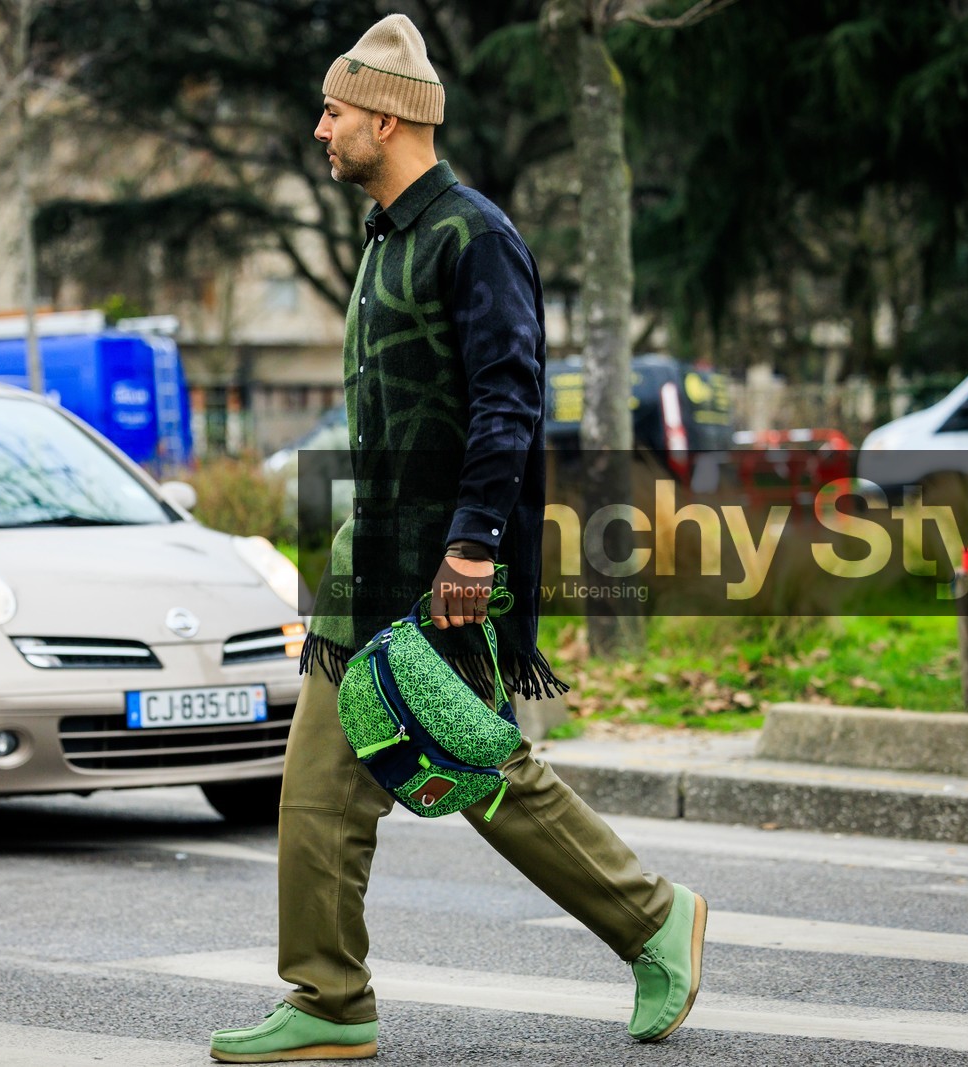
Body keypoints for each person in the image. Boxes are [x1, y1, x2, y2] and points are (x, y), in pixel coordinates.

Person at [208, 14, 705, 1063]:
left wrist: (474, 545)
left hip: (444, 571)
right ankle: (328, 999)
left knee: (482, 771)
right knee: (319, 795)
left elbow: (507, 402)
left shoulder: (469, 235)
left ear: (385, 120)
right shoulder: (387, 240)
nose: (318, 129)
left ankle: (653, 917)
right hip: (368, 567)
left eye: (333, 112)